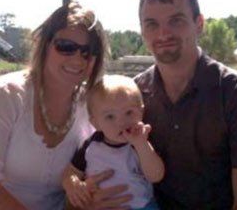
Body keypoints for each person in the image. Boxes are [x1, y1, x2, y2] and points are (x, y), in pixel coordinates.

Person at [134, 0, 237, 209]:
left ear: (199, 24)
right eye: (152, 24)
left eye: (176, 20)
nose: (163, 34)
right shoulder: (133, 96)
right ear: (143, 32)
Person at [0, 0, 109, 210]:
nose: (78, 58)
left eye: (88, 52)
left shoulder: (91, 106)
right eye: (66, 46)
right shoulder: (6, 96)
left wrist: (88, 196)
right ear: (45, 44)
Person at [63, 74, 165, 210]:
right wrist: (72, 184)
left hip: (141, 206)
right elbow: (71, 171)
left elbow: (156, 176)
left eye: (129, 113)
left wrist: (142, 145)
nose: (121, 122)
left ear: (141, 111)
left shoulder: (139, 142)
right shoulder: (91, 145)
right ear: (95, 123)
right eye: (110, 116)